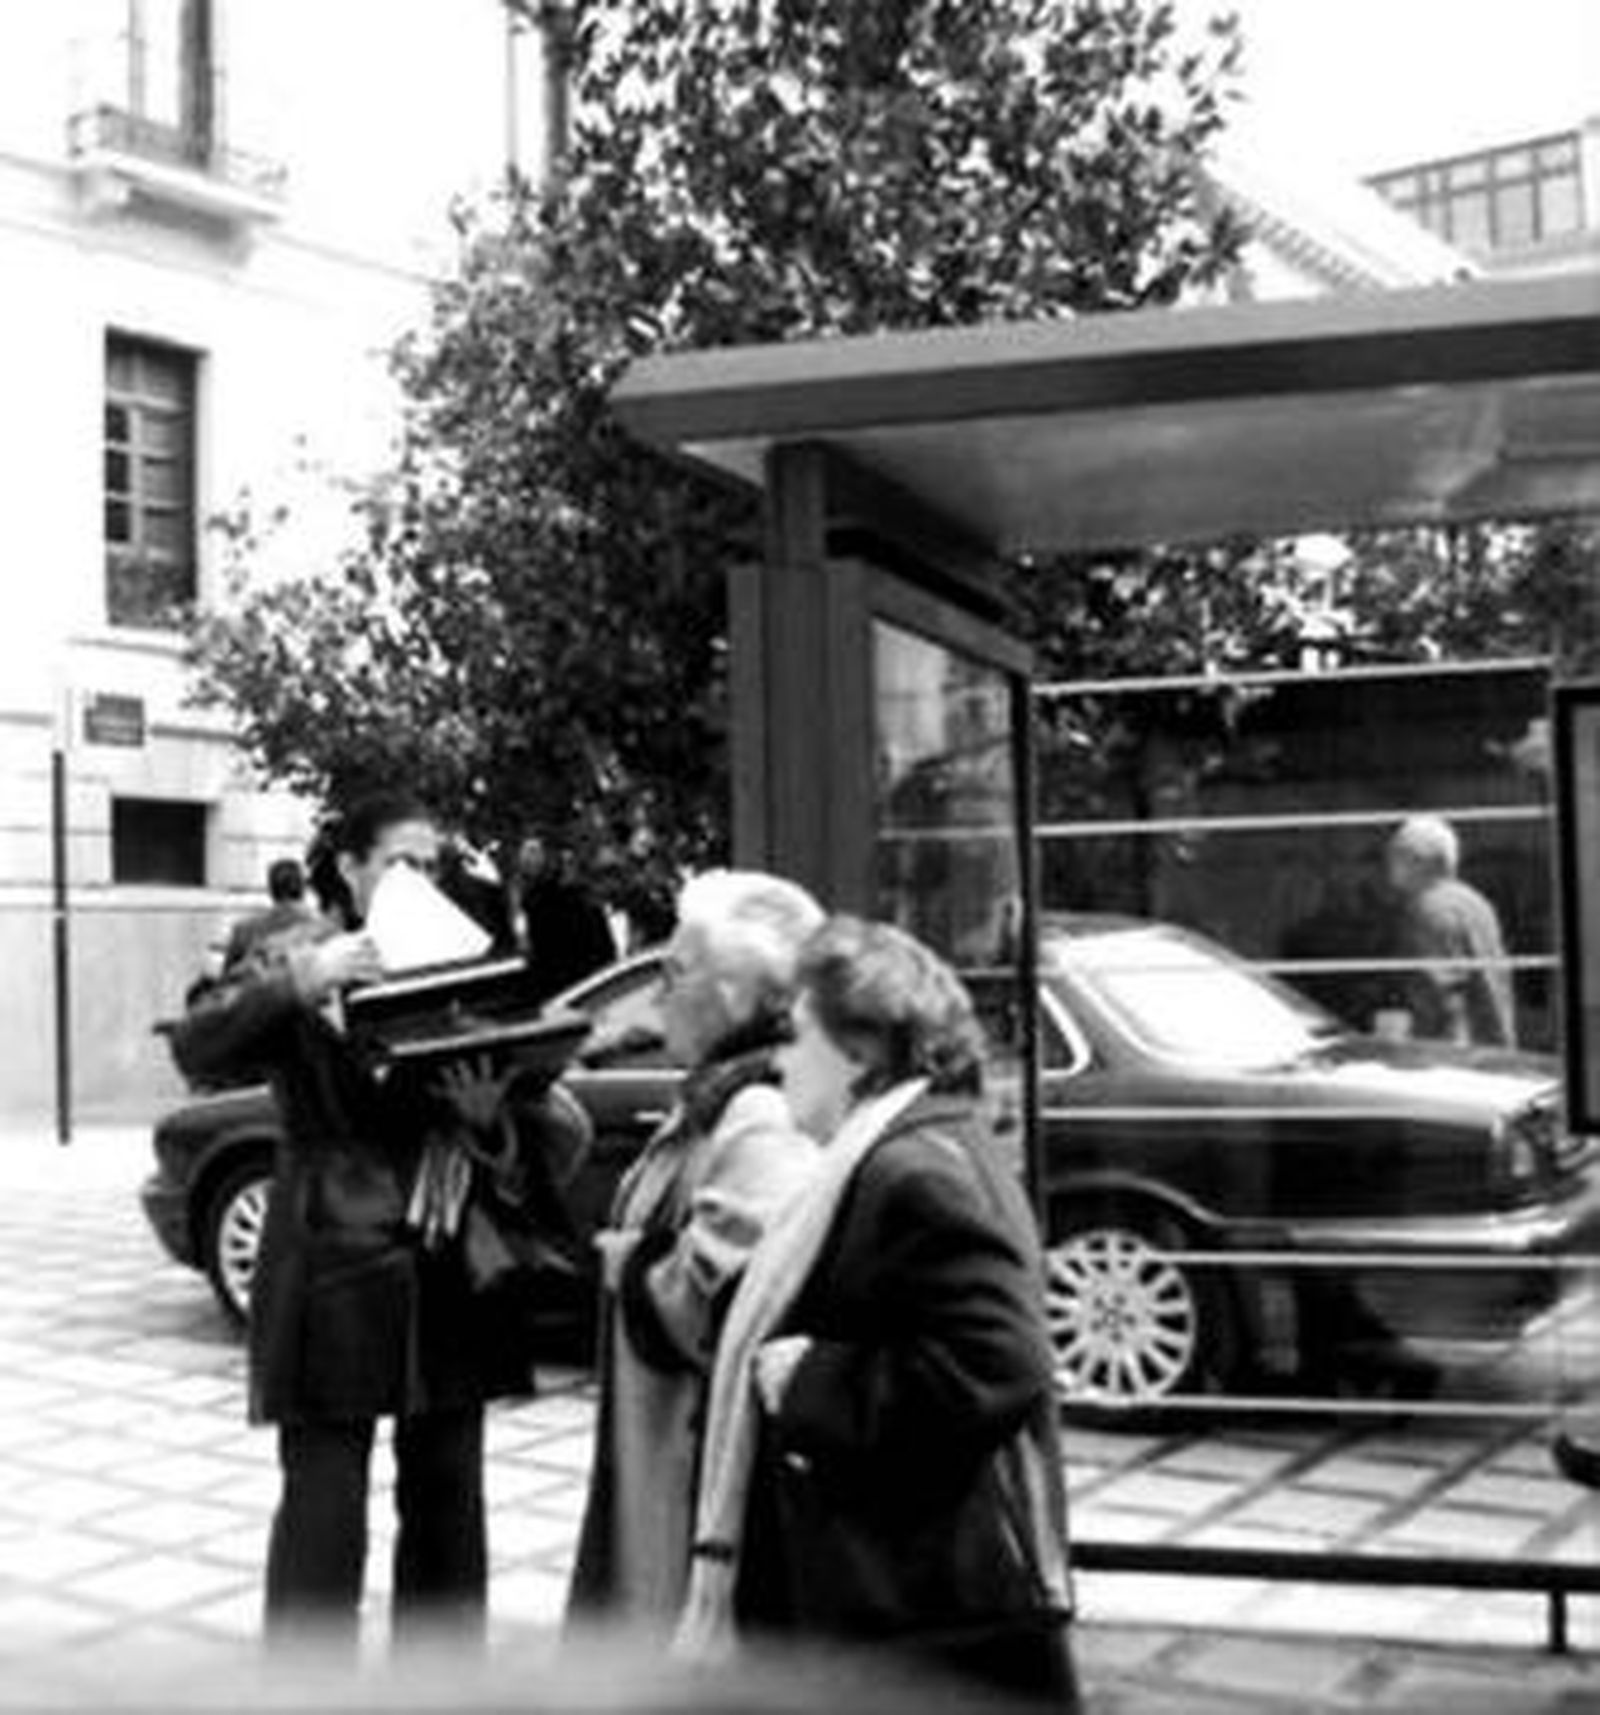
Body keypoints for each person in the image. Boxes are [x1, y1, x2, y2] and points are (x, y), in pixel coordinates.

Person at [169, 789, 555, 1647]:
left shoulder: (465, 950)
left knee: (451, 1492)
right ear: (349, 868)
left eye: (431, 863)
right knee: (324, 1497)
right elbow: (197, 1042)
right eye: (399, 862)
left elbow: (520, 1110)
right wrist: (302, 979)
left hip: (446, 1241)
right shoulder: (293, 951)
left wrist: (489, 1113)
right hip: (331, 1250)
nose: (419, 879)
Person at [674, 917, 1079, 1709]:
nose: (778, 1055)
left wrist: (818, 1380)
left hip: (913, 1611)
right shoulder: (894, 1152)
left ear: (859, 1052)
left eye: (796, 1035)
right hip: (886, 1601)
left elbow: (1003, 1363)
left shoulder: (914, 1168)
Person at [567, 869, 825, 1634]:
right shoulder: (717, 1093)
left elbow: (731, 1300)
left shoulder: (759, 1112)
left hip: (700, 1471)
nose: (657, 998)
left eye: (674, 974)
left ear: (739, 995)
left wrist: (632, 1263)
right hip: (665, 1446)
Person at [1385, 815, 1516, 1047]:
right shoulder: (1474, 902)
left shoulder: (1429, 908)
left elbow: (1441, 998)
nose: (1389, 862)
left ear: (1420, 859)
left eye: (1396, 853)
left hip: (1456, 1061)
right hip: (1493, 1048)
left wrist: (1430, 1061)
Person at [509, 834, 619, 1002]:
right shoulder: (580, 899)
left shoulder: (544, 903)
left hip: (568, 988)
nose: (528, 860)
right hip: (586, 987)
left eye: (534, 853)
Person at [221, 857, 319, 975]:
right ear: (302, 889)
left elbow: (227, 980)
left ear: (271, 889)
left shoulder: (244, 930)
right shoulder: (322, 931)